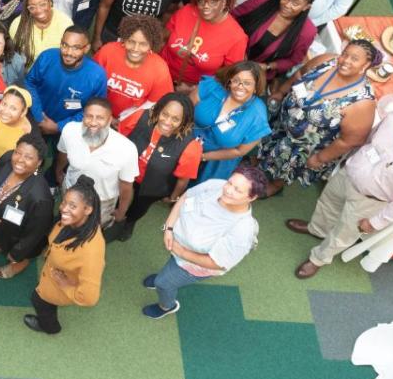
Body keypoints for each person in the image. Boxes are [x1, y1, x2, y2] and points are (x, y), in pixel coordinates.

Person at [289, 104, 393, 279]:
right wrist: (350, 161)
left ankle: (318, 259)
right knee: (327, 205)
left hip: (369, 201)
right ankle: (317, 229)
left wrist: (376, 223)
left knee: (343, 234)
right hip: (347, 175)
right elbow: (369, 141)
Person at [257, 39, 378, 196]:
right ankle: (261, 160)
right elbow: (300, 74)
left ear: (366, 65)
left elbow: (351, 140)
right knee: (270, 140)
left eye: (354, 59)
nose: (345, 61)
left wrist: (320, 158)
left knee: (287, 165)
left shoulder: (362, 102)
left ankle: (276, 184)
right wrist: (281, 92)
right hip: (283, 121)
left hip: (304, 147)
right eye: (344, 54)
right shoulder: (326, 61)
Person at [142, 166, 263, 319]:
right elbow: (186, 196)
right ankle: (166, 275)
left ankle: (167, 305)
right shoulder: (215, 185)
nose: (228, 190)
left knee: (164, 283)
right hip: (177, 246)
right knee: (170, 268)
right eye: (230, 183)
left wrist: (181, 252)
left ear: (251, 197)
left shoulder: (242, 230)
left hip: (193, 265)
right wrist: (169, 228)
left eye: (238, 190)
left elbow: (218, 263)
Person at [108, 94, 203, 242]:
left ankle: (129, 222)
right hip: (124, 174)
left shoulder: (191, 147)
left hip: (151, 187)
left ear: (184, 122)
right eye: (165, 114)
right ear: (158, 110)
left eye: (175, 119)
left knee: (138, 209)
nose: (167, 121)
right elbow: (119, 139)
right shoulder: (140, 117)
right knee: (114, 199)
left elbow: (183, 180)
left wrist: (172, 197)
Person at [24, 178, 105, 334]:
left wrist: (65, 286)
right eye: (64, 203)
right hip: (51, 274)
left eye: (72, 206)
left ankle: (50, 327)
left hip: (58, 285)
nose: (64, 209)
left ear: (88, 209)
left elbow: (89, 297)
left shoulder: (90, 252)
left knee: (39, 300)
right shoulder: (75, 222)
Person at [0, 133, 55, 279]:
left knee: (16, 255)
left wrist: (17, 253)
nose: (19, 160)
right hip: (1, 224)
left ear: (39, 162)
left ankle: (19, 262)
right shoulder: (8, 158)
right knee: (1, 237)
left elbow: (35, 233)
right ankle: (0, 244)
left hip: (20, 236)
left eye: (28, 157)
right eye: (18, 152)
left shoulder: (41, 198)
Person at [55, 98, 138, 226]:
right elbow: (63, 153)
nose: (93, 123)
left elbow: (126, 186)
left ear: (109, 120)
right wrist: (59, 172)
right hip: (70, 189)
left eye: (100, 118)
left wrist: (122, 211)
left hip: (102, 202)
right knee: (65, 220)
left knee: (93, 229)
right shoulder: (70, 130)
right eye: (89, 116)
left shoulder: (127, 149)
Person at [190, 62, 271, 183]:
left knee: (198, 194)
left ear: (256, 87)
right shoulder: (212, 86)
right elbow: (185, 109)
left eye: (247, 83)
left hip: (218, 160)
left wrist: (202, 157)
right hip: (187, 141)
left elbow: (240, 151)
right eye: (236, 80)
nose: (240, 86)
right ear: (230, 80)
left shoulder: (258, 116)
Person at [163, 0, 248, 91]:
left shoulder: (237, 37)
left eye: (213, 1)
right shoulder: (186, 11)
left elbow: (229, 75)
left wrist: (196, 89)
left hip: (191, 89)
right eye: (201, 0)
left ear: (224, 2)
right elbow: (164, 37)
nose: (205, 6)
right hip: (161, 75)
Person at [93, 15, 173, 135]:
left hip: (129, 126)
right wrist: (104, 115)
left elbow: (154, 106)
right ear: (124, 39)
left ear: (151, 45)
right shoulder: (107, 52)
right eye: (131, 41)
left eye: (143, 44)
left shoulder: (159, 69)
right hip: (96, 115)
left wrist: (125, 122)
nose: (136, 49)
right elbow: (90, 85)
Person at [25, 26, 107, 135]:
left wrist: (59, 127)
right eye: (65, 45)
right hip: (34, 120)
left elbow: (94, 110)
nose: (68, 52)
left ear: (86, 48)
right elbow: (30, 82)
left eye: (76, 48)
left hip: (69, 132)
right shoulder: (47, 57)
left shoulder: (97, 75)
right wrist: (39, 116)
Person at [231, 0, 318, 80]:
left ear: (306, 7)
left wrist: (267, 66)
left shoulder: (307, 31)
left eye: (295, 3)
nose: (287, 5)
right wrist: (238, 48)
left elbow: (293, 60)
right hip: (230, 50)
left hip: (257, 72)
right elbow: (234, 15)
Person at [9, 0, 74, 70]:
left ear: (50, 2)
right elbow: (13, 54)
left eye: (43, 4)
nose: (38, 10)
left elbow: (70, 54)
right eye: (32, 7)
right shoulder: (18, 25)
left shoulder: (66, 23)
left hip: (56, 70)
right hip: (27, 72)